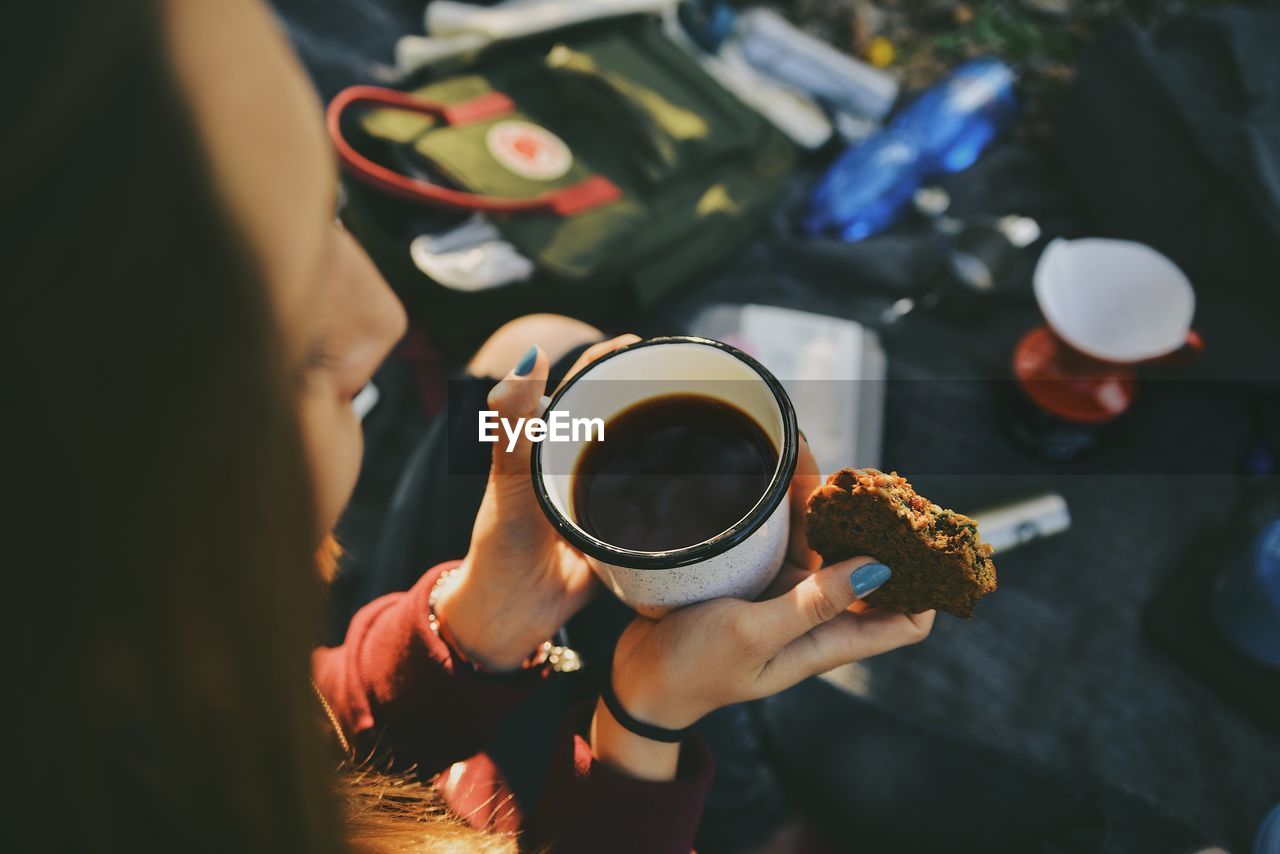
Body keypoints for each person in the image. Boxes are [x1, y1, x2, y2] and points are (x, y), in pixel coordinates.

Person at [2, 0, 933, 851]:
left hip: (460, 685)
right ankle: (757, 821)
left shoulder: (114, 696)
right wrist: (640, 735)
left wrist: (473, 628)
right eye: (293, 358)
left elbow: (277, 741)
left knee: (544, 352)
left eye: (326, 214)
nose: (381, 322)